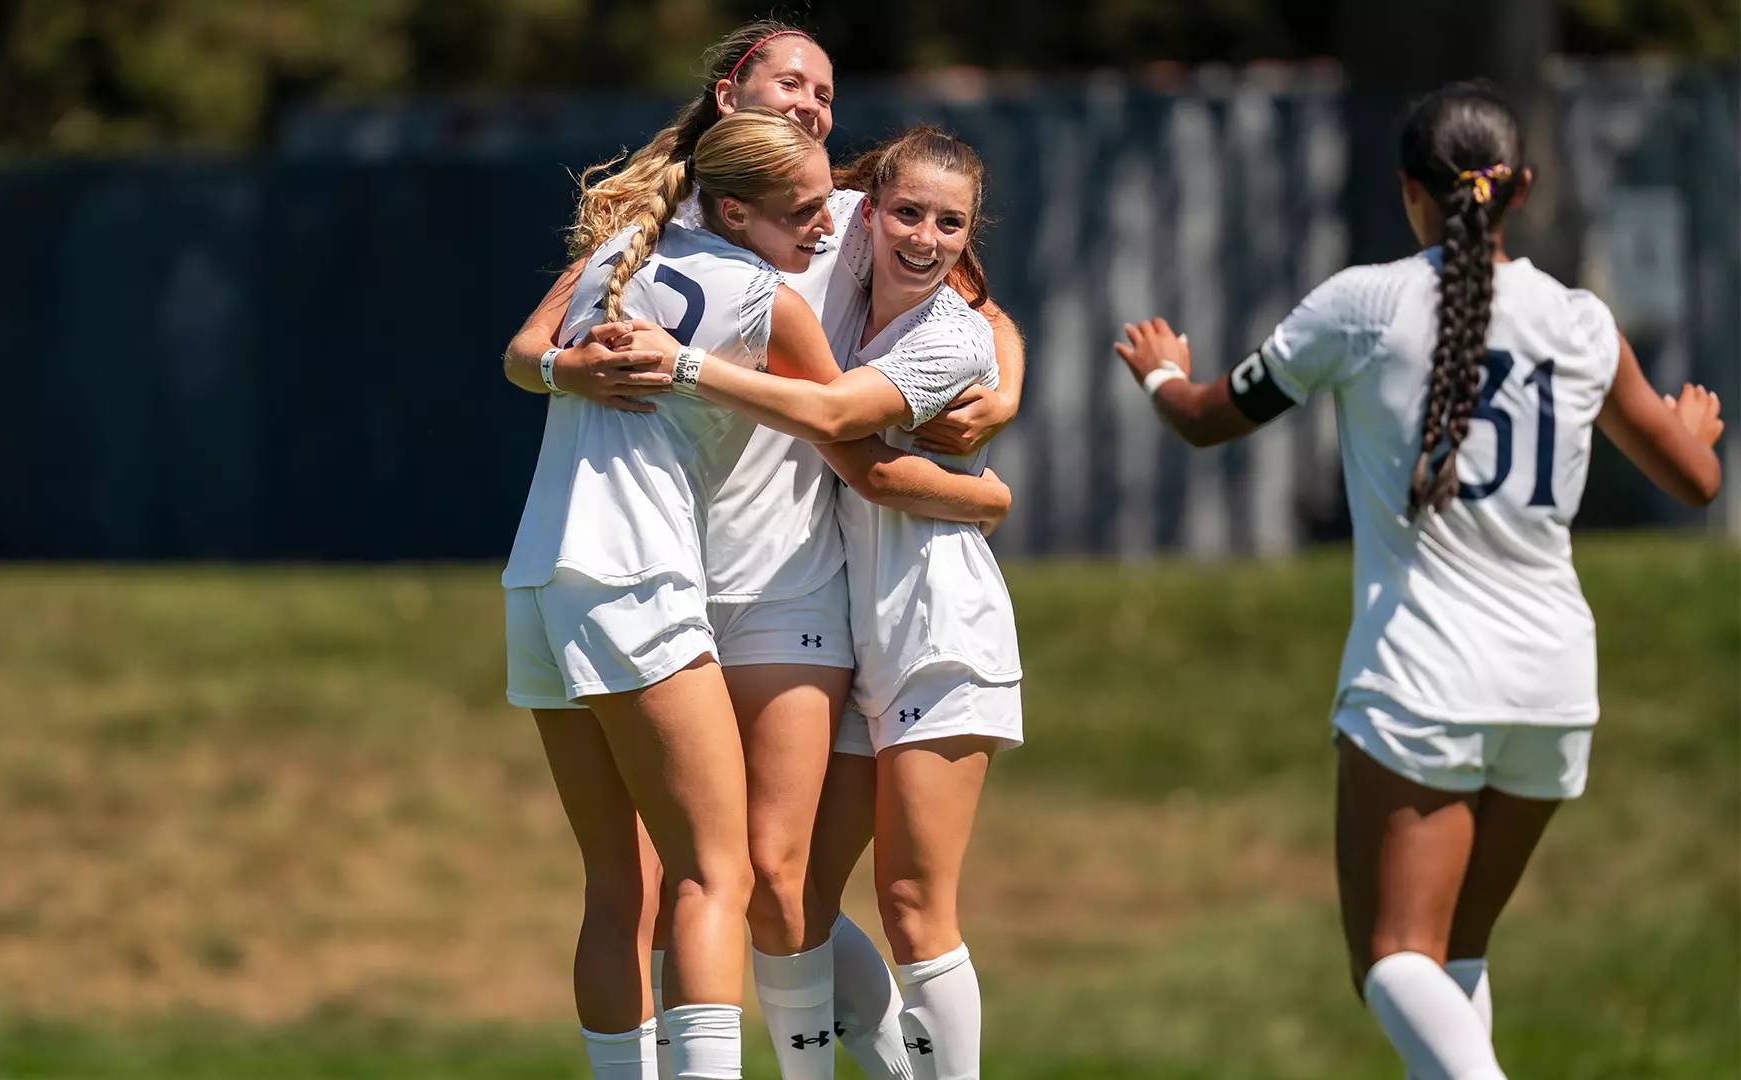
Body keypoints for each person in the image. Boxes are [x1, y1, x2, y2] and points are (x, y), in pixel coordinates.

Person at [1108, 83, 1723, 1080]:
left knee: (1393, 961)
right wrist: (1689, 431)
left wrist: (1157, 373)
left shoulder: (1362, 304)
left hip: (1423, 681)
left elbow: (1210, 415)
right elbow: (1696, 479)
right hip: (1555, 687)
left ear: (1408, 193)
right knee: (1453, 960)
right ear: (1521, 189)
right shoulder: (1580, 320)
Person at [506, 21, 1026, 1080]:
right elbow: (528, 350)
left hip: (769, 577)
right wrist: (980, 498)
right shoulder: (679, 233)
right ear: (732, 88)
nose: (815, 104)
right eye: (793, 80)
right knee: (695, 879)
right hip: (669, 580)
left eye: (830, 92)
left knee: (757, 878)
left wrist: (1002, 397)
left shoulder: (819, 212)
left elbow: (975, 312)